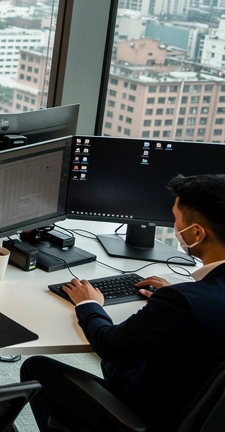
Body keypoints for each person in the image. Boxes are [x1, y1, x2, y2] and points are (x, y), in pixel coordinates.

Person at [21, 174, 225, 431]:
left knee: (36, 368)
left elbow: (109, 344)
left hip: (150, 414)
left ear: (196, 232)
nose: (175, 226)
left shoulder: (183, 302)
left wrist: (89, 304)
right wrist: (186, 296)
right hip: (200, 407)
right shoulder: (193, 298)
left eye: (176, 218)